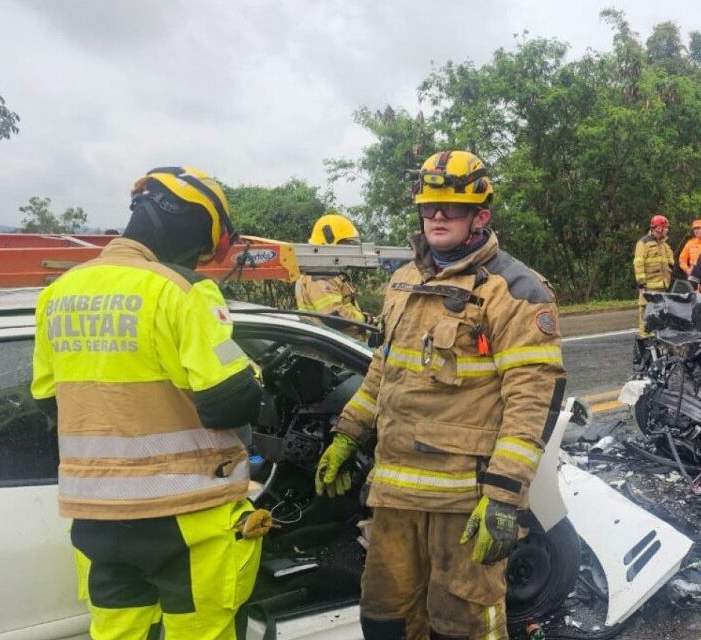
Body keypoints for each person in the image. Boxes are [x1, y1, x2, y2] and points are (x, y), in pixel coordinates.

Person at [314, 150, 565, 640]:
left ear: (480, 216)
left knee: (462, 626)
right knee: (385, 620)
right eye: (429, 207)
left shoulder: (515, 291)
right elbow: (384, 371)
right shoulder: (403, 281)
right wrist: (347, 435)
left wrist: (504, 496)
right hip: (394, 496)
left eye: (450, 207)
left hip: (462, 502)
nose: (437, 217)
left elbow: (532, 400)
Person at [31, 167, 265, 639]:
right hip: (184, 520)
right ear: (192, 226)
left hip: (97, 520)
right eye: (202, 248)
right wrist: (254, 373)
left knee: (119, 632)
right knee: (201, 631)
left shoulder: (58, 294)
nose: (198, 261)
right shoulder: (179, 290)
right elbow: (231, 401)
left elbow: (47, 401)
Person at [295, 213, 374, 338]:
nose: (350, 252)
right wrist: (368, 321)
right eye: (347, 246)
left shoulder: (330, 273)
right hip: (332, 349)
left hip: (339, 343)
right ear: (328, 245)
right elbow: (335, 317)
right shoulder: (320, 276)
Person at [633, 214, 675, 339]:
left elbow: (670, 261)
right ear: (658, 228)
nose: (667, 230)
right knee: (646, 311)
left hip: (662, 285)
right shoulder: (643, 243)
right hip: (648, 287)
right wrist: (641, 283)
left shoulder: (664, 244)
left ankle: (657, 336)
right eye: (665, 227)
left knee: (660, 312)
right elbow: (638, 263)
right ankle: (645, 338)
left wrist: (670, 269)